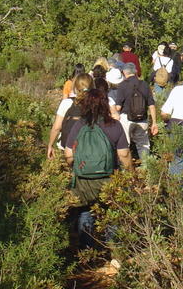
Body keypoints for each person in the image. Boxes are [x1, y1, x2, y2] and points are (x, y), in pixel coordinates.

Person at [64, 89, 133, 248]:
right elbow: (124, 155)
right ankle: (113, 252)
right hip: (108, 178)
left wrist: (76, 168)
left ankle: (87, 253)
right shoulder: (114, 125)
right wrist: (129, 174)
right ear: (105, 105)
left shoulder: (79, 125)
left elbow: (68, 154)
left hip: (83, 181)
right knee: (111, 213)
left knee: (85, 212)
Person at [114, 62, 159, 160]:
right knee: (143, 144)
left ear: (124, 73)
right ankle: (145, 167)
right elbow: (151, 105)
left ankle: (125, 169)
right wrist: (154, 122)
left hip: (126, 119)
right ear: (135, 72)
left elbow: (118, 107)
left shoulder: (122, 85)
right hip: (142, 118)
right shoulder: (144, 84)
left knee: (125, 144)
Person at [47, 73, 94, 158]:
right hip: (90, 148)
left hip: (67, 148)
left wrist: (50, 145)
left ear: (75, 87)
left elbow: (57, 127)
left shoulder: (67, 103)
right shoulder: (96, 104)